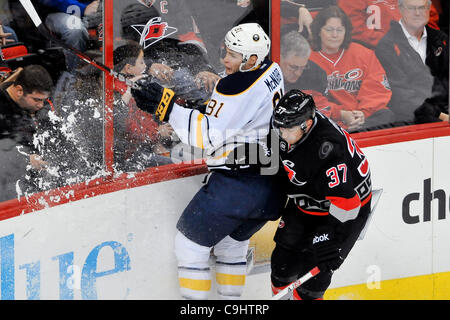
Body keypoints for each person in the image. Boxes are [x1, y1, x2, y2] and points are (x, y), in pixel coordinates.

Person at [131, 23, 284, 300]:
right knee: (231, 247)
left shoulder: (236, 85)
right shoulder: (271, 70)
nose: (225, 59)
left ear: (250, 60)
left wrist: (165, 106)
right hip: (270, 183)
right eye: (225, 51)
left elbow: (207, 135)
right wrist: (193, 107)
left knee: (189, 246)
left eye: (233, 55)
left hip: (239, 185)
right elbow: (235, 116)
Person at [270, 89, 372, 300]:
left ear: (306, 125)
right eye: (279, 128)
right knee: (282, 266)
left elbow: (348, 206)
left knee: (311, 283)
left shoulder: (327, 148)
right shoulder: (288, 129)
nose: (281, 135)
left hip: (344, 211)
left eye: (287, 130)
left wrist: (329, 236)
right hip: (308, 200)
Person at [309, 5, 394, 132]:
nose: (335, 35)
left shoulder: (363, 54)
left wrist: (363, 113)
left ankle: (354, 130)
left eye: (340, 30)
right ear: (319, 31)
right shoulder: (308, 58)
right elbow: (310, 98)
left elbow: (377, 88)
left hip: (362, 117)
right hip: (332, 118)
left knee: (387, 116)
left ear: (346, 31)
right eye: (329, 30)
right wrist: (341, 114)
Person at [375, 0, 449, 125]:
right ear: (401, 9)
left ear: (429, 9)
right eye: (411, 8)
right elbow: (401, 96)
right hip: (410, 119)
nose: (417, 13)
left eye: (421, 8)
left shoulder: (441, 39)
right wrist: (441, 115)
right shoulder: (386, 46)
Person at [112, 41, 174, 169]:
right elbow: (127, 127)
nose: (145, 66)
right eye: (141, 62)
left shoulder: (135, 87)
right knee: (175, 166)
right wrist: (157, 133)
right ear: (128, 68)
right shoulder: (120, 91)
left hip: (145, 147)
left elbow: (144, 119)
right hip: (131, 156)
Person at [0, 64, 54, 200]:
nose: (41, 105)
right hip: (8, 187)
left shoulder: (38, 107)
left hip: (39, 182)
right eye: (36, 100)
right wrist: (24, 159)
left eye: (44, 100)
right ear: (19, 90)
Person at [35, 0, 100, 71]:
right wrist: (82, 8)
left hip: (93, 8)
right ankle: (75, 75)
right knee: (75, 29)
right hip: (58, 10)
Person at [280, 30, 332, 113]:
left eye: (303, 67)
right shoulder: (266, 74)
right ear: (279, 57)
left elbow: (323, 110)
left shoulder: (317, 75)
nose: (298, 73)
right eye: (293, 67)